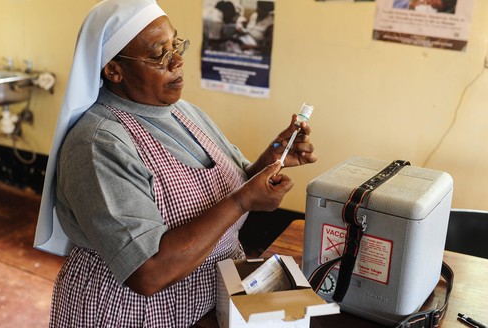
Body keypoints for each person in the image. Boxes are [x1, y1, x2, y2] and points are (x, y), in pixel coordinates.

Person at [34, 0, 317, 326]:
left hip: (207, 299)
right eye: (158, 54)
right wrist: (242, 203)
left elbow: (233, 182)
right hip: (132, 312)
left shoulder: (186, 113)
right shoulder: (99, 142)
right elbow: (147, 272)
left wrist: (275, 155)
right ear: (114, 70)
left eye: (176, 45)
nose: (178, 60)